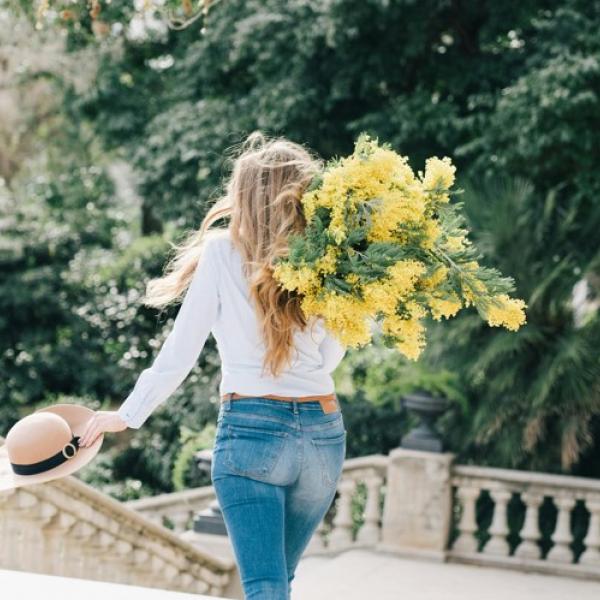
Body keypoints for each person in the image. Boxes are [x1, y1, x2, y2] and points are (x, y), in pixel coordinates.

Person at [78, 131, 348, 599]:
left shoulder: (223, 253)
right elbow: (330, 355)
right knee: (277, 583)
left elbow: (180, 351)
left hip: (252, 432)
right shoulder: (330, 258)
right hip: (323, 434)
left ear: (243, 195)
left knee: (267, 588)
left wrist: (127, 414)